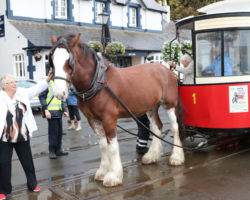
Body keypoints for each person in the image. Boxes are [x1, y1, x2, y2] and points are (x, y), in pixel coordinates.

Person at [0, 72, 53, 200]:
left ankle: (33, 184)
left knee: (27, 161)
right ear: (4, 85)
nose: (15, 84)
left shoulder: (22, 93)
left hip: (22, 135)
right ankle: (3, 190)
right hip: (5, 138)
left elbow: (36, 88)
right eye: (11, 82)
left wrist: (47, 79)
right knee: (3, 163)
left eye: (15, 82)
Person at [39, 79, 69, 159]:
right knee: (53, 133)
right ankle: (51, 151)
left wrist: (64, 110)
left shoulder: (59, 84)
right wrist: (46, 110)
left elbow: (61, 99)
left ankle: (58, 150)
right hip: (51, 113)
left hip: (59, 113)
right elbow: (42, 97)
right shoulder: (48, 83)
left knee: (59, 132)